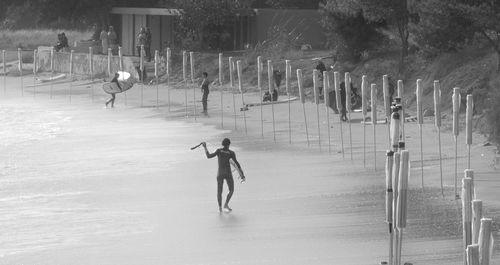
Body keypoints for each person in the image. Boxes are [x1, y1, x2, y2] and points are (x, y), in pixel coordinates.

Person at [202, 138, 244, 213]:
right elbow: (237, 164)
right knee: (231, 190)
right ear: (228, 145)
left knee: (219, 192)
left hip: (220, 174)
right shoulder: (231, 153)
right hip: (228, 173)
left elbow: (208, 156)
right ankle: (226, 204)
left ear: (223, 144)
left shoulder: (219, 151)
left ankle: (220, 208)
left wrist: (205, 147)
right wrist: (242, 174)